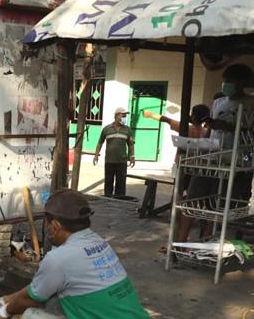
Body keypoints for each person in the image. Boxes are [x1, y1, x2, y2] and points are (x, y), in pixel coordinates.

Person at [0, 189, 152, 319]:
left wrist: (3, 311)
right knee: (50, 300)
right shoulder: (98, 243)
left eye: (47, 223)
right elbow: (37, 288)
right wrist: (7, 298)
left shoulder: (59, 259)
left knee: (30, 317)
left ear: (56, 226)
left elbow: (29, 299)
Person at [143, 104, 214, 242]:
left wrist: (150, 114)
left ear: (193, 116)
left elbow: (166, 119)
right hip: (199, 169)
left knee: (180, 196)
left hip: (184, 167)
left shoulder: (185, 127)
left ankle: (179, 221)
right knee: (195, 198)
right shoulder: (207, 132)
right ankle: (192, 224)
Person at [207, 63, 254, 202]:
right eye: (224, 81)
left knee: (233, 199)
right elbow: (209, 130)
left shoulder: (251, 103)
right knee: (209, 196)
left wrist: (230, 128)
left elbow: (250, 133)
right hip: (216, 157)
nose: (225, 84)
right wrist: (204, 145)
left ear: (242, 82)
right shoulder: (218, 102)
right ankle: (210, 223)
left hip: (241, 161)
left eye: (229, 82)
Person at [94, 107, 135, 197]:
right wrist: (96, 155)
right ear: (116, 116)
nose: (125, 118)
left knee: (121, 183)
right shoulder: (106, 129)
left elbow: (131, 144)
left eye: (125, 116)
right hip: (109, 161)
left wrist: (132, 157)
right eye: (123, 116)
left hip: (122, 161)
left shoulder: (127, 130)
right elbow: (100, 143)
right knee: (108, 182)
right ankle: (107, 201)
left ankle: (120, 202)